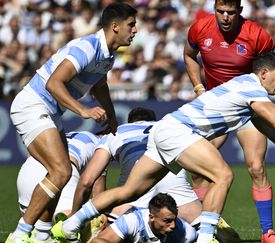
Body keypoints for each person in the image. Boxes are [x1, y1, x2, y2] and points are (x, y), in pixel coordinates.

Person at [53, 52, 275, 243]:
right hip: (178, 131)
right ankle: (205, 240)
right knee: (224, 176)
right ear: (264, 72)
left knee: (129, 192)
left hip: (165, 130)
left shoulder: (250, 94)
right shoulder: (251, 86)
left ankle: (71, 224)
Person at [7, 3, 137, 243]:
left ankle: (42, 236)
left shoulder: (108, 55)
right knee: (61, 171)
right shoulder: (87, 47)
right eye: (131, 25)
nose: (135, 30)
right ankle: (20, 235)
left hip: (49, 110)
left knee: (60, 174)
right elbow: (53, 83)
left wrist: (112, 117)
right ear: (115, 26)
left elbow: (100, 86)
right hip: (32, 104)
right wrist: (83, 111)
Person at [183, 0, 275, 241]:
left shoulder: (257, 35)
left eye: (231, 12)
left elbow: (268, 70)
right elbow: (189, 55)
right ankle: (206, 224)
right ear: (214, 10)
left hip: (248, 107)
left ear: (240, 11)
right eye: (221, 12)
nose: (225, 17)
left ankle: (267, 232)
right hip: (216, 107)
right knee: (197, 170)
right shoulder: (199, 29)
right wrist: (198, 87)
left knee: (256, 167)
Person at [69, 107, 239, 242]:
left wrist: (76, 215)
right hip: (179, 200)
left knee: (108, 218)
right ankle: (208, 225)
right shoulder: (170, 127)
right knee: (201, 225)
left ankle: (97, 224)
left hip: (132, 199)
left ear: (130, 122)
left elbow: (87, 181)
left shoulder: (116, 131)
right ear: (153, 120)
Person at [16, 131, 103, 242]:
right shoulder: (102, 145)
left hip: (27, 171)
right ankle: (61, 227)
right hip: (59, 173)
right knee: (95, 218)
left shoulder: (74, 135)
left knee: (35, 228)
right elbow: (97, 195)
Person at [91, 193, 198, 243]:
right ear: (151, 217)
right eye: (167, 221)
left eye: (174, 219)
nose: (173, 226)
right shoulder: (132, 221)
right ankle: (100, 226)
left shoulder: (186, 233)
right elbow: (98, 241)